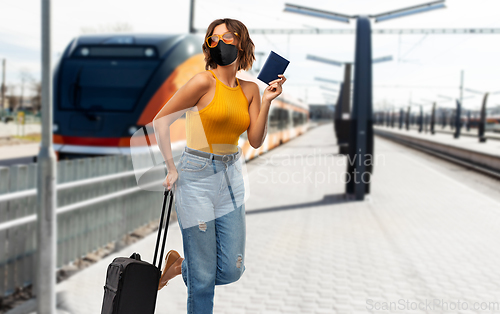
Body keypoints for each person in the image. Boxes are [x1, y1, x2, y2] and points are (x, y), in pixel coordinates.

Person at [152, 18, 286, 313]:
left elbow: (254, 140)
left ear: (242, 43)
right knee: (202, 280)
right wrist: (171, 168)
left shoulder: (250, 90)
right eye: (213, 39)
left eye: (227, 37)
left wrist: (267, 101)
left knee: (230, 268)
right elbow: (160, 121)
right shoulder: (202, 82)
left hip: (231, 177)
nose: (219, 44)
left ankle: (178, 266)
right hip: (196, 175)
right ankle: (192, 271)